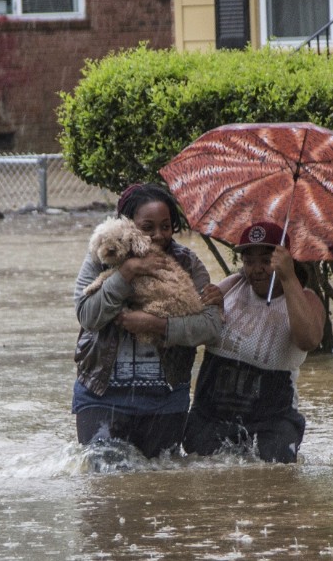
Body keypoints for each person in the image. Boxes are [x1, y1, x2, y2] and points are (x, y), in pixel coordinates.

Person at [71, 183, 223, 459]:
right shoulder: (102, 254)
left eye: (166, 226)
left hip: (165, 398)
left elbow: (212, 328)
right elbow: (87, 316)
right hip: (101, 393)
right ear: (127, 224)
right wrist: (126, 272)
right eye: (147, 227)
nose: (158, 235)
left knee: (158, 488)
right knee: (104, 481)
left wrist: (158, 326)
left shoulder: (187, 262)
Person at [182, 221, 326, 463]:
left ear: (285, 260)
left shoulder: (306, 299)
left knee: (271, 485)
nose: (257, 269)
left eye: (266, 261)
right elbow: (189, 328)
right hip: (210, 418)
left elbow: (308, 340)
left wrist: (289, 278)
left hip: (272, 423)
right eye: (249, 261)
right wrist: (211, 304)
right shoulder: (232, 286)